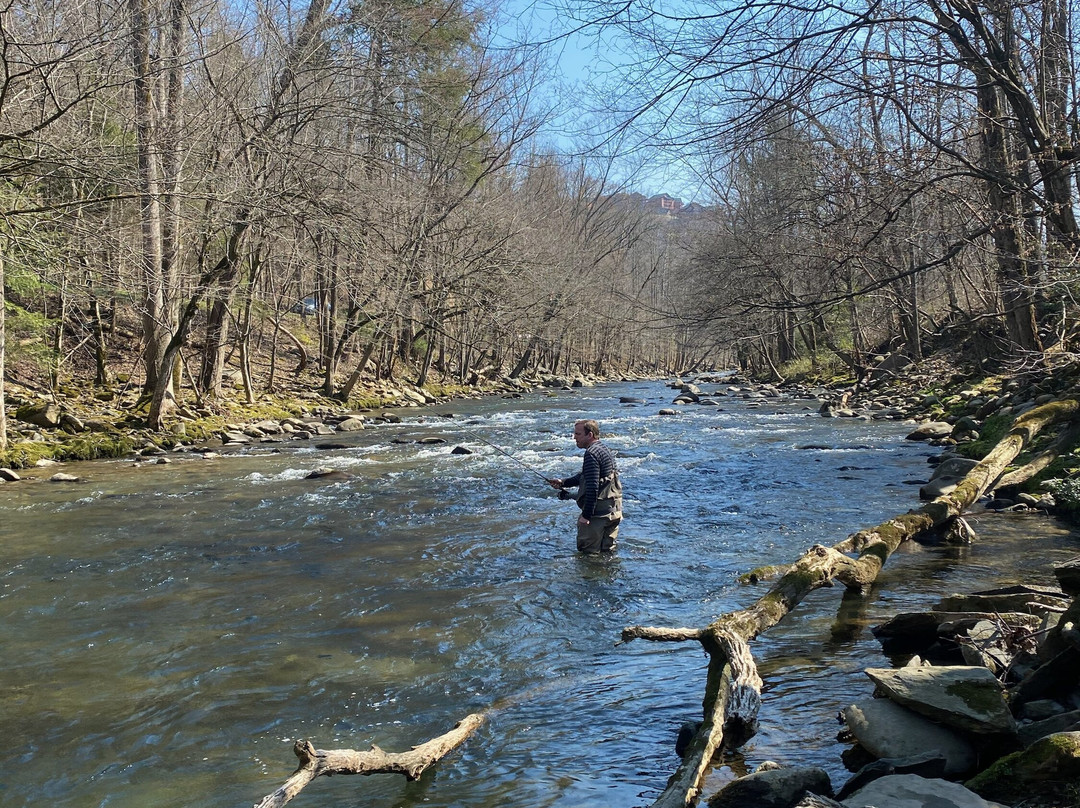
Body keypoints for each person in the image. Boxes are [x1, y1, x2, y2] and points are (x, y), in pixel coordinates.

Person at [548, 419, 622, 553]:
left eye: (578, 434)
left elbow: (592, 487)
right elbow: (587, 476)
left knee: (588, 556)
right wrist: (563, 482)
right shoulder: (603, 449)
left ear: (590, 435)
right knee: (607, 553)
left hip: (598, 516)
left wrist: (586, 516)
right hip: (613, 511)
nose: (574, 437)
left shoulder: (591, 454)